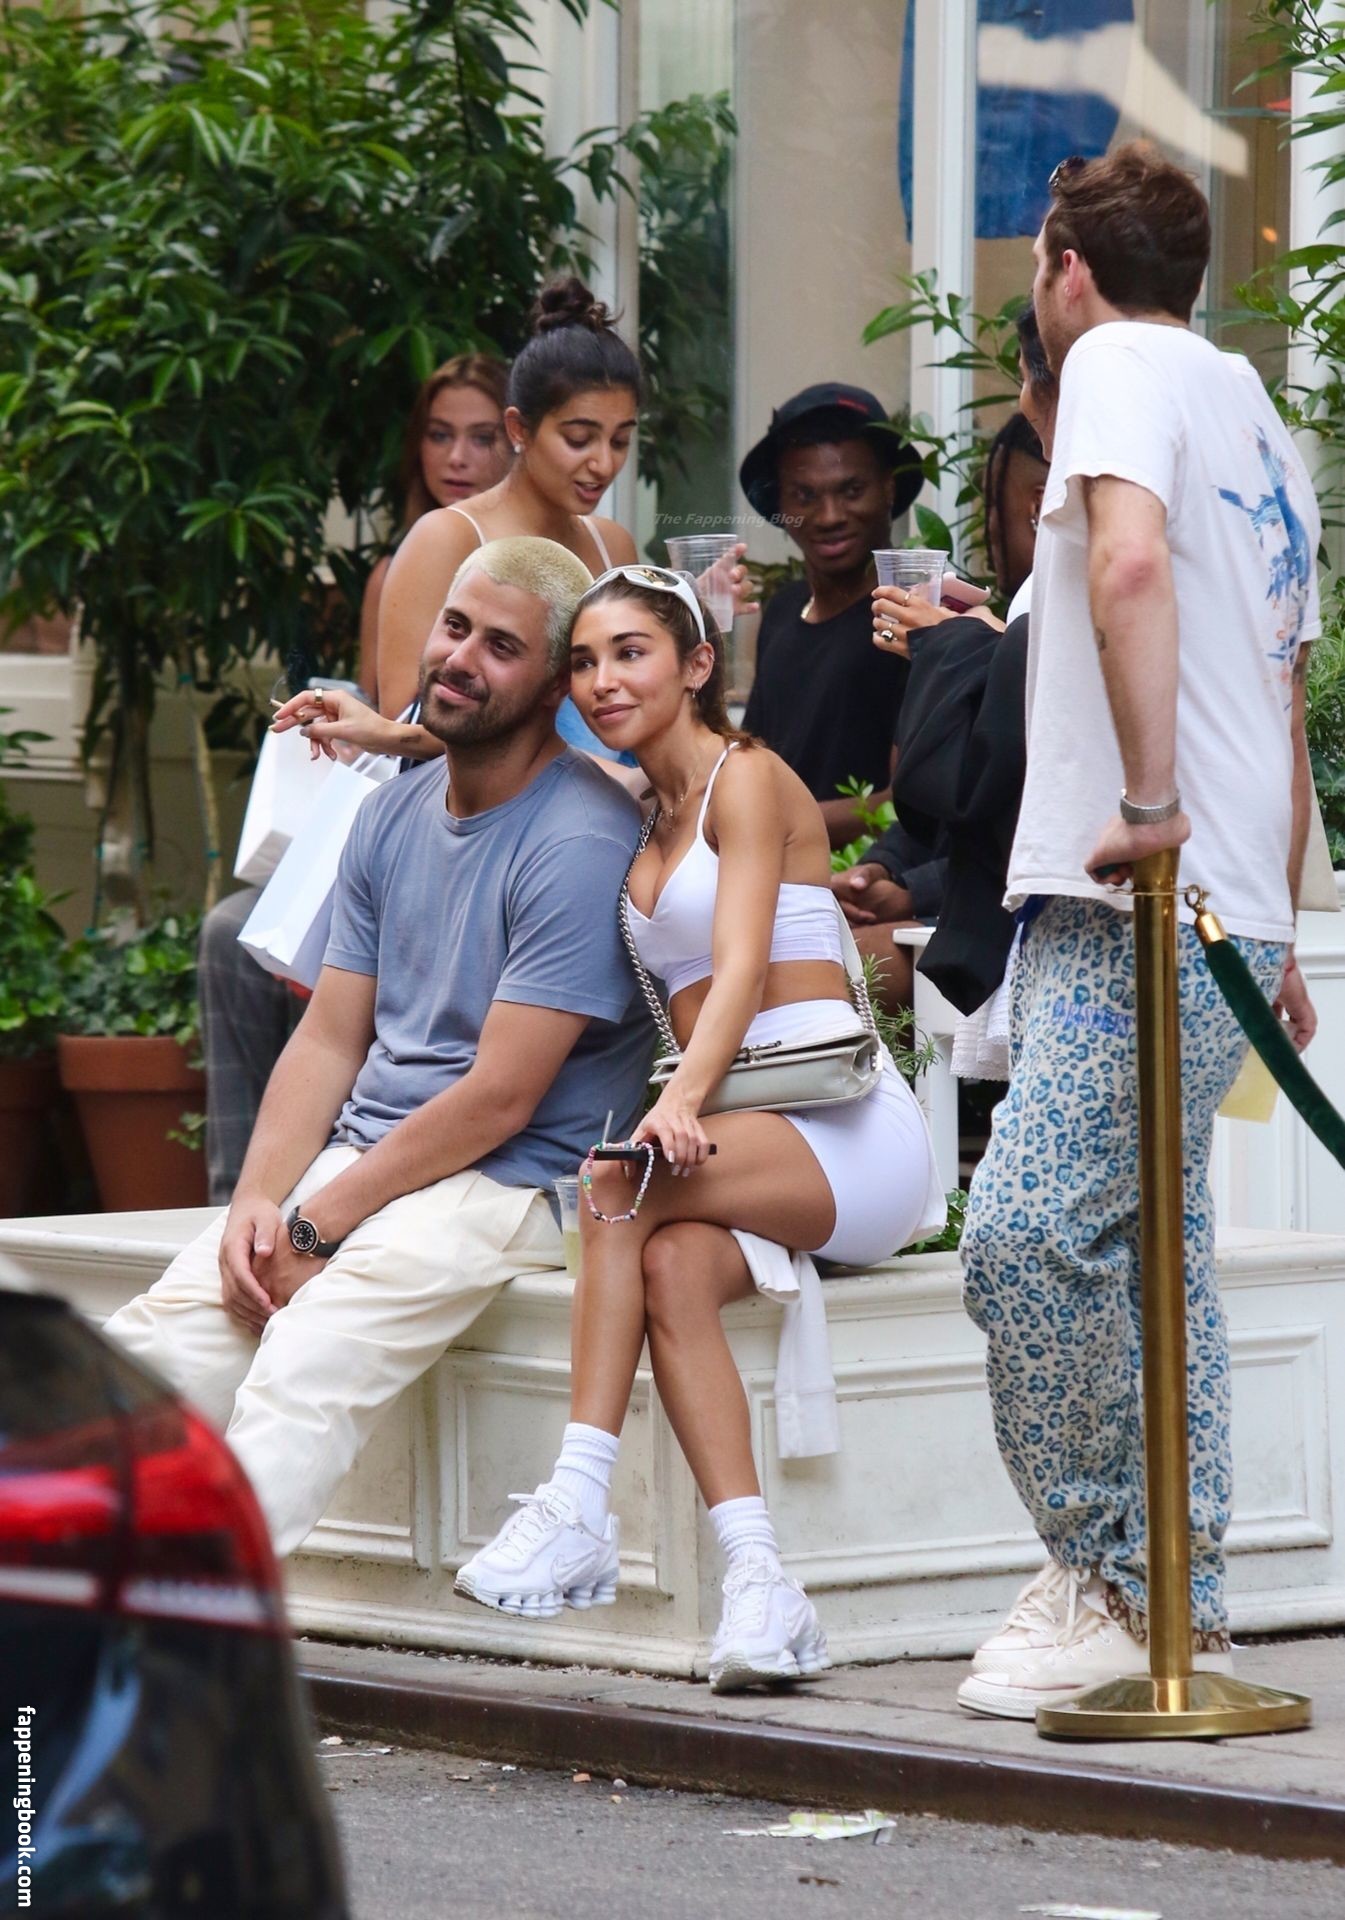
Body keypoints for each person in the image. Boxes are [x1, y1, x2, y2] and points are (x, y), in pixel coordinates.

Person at [953, 143, 1321, 1720]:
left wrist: (1154, 803)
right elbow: (1282, 694)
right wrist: (1275, 923)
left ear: (1069, 270)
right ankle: (1185, 1598)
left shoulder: (1109, 362)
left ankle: (1112, 1579)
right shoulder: (1259, 415)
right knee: (1157, 1252)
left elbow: (1124, 564)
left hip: (1141, 885)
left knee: (1027, 1233)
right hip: (1215, 894)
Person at [103, 539, 653, 1559]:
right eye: (455, 627)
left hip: (516, 1181)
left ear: (552, 688)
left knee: (303, 1360)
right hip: (376, 1154)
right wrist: (260, 1202)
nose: (459, 659)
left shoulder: (580, 837)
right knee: (156, 1346)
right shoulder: (391, 810)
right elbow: (327, 1037)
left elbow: (500, 1098)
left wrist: (319, 1226)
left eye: (500, 647)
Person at [455, 564, 945, 1690]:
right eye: (585, 661)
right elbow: (502, 741)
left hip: (845, 1130)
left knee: (612, 1185)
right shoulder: (644, 815)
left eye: (630, 653)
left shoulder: (748, 779)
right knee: (672, 1265)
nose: (602, 679)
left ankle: (578, 1500)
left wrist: (675, 1100)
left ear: (696, 665)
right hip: (745, 1134)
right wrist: (385, 729)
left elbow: (738, 966)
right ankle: (763, 1587)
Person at [200, 353, 513, 1205]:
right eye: (438, 436)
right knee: (230, 933)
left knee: (287, 940)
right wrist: (343, 720)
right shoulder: (399, 568)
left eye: (480, 437)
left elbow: (436, 730)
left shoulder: (541, 564)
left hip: (480, 826)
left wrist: (378, 728)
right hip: (403, 806)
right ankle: (236, 1194)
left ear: (515, 440)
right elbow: (401, 723)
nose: (457, 457)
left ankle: (306, 1178)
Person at [840, 306, 1057, 1019]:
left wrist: (959, 646)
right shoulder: (1030, 599)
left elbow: (994, 781)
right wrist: (885, 866)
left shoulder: (1076, 565)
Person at [739, 384, 924, 848]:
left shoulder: (912, 615)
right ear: (781, 507)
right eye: (804, 496)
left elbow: (911, 803)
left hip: (867, 878)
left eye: (852, 491)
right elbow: (753, 762)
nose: (829, 516)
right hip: (772, 874)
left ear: (889, 487)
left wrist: (773, 824)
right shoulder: (783, 610)